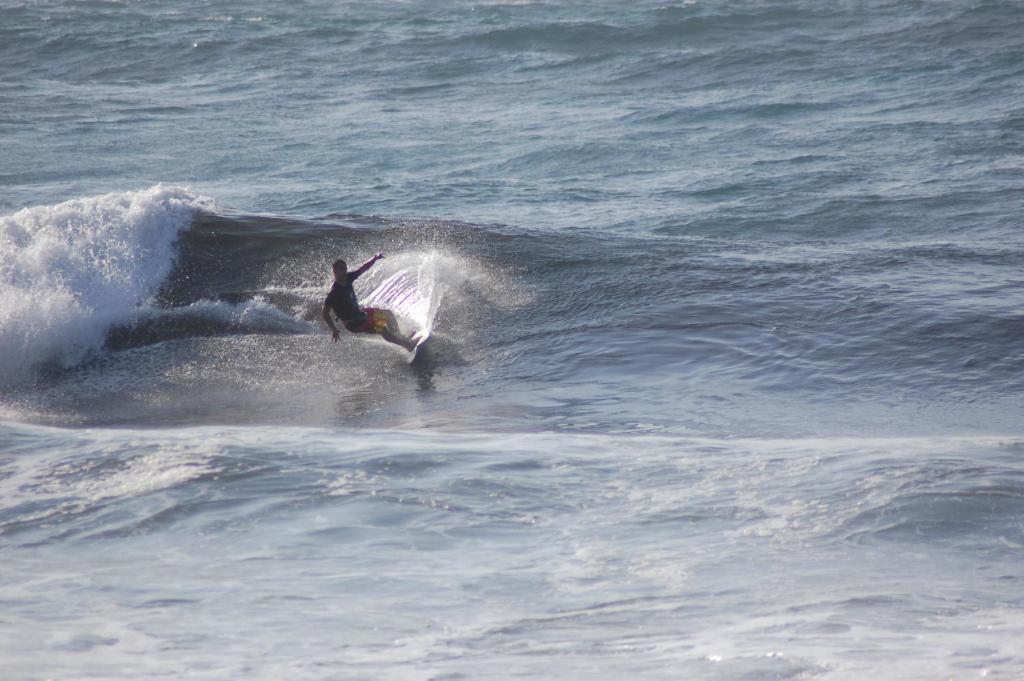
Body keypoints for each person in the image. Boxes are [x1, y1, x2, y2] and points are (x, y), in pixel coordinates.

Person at [321, 253, 416, 351]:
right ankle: (407, 345)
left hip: (361, 314)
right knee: (381, 328)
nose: (344, 272)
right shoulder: (333, 292)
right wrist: (334, 329)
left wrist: (374, 258)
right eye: (341, 269)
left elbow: (363, 268)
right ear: (334, 271)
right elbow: (324, 312)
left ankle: (401, 337)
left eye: (345, 269)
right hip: (354, 324)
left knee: (388, 314)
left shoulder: (348, 278)